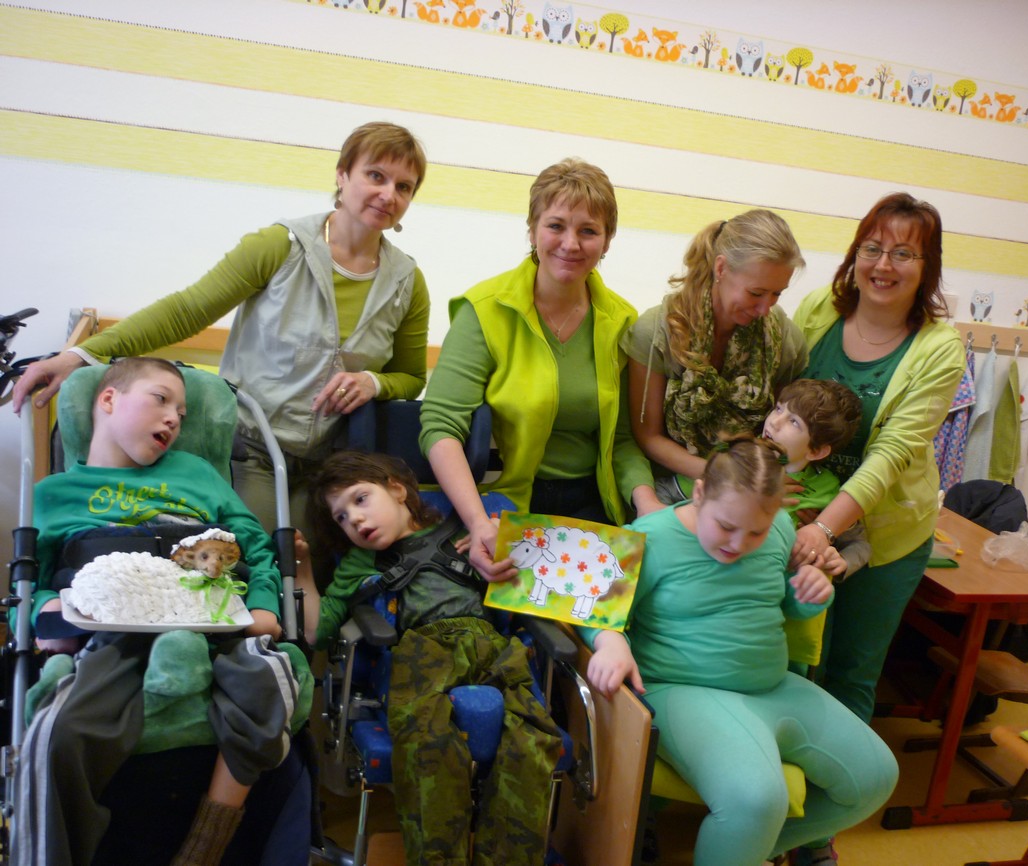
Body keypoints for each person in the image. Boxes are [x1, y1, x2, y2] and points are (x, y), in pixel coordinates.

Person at [12, 121, 431, 539]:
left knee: (309, 567)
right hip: (251, 447)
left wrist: (374, 381)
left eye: (404, 187)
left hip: (333, 463)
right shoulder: (281, 246)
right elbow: (187, 310)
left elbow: (411, 377)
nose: (388, 195)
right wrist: (82, 354)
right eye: (375, 175)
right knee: (256, 553)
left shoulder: (407, 282)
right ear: (342, 175)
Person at [19, 357, 299, 866]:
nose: (174, 418)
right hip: (109, 626)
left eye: (183, 413)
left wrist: (262, 603)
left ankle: (203, 849)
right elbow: (29, 579)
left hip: (211, 614)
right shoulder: (51, 495)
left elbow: (257, 547)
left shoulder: (197, 474)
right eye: (161, 399)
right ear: (108, 399)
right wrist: (46, 609)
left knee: (271, 684)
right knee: (57, 733)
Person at [581, 437, 898, 866]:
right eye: (726, 525)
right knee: (756, 800)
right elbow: (593, 608)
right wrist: (610, 640)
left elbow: (783, 603)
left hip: (772, 686)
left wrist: (810, 593)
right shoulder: (651, 537)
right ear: (699, 493)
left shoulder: (780, 528)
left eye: (755, 532)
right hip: (682, 688)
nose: (738, 543)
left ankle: (751, 852)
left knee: (876, 778)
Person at [294, 450, 563, 866]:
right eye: (341, 517)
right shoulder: (360, 562)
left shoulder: (469, 526)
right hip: (421, 650)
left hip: (492, 643)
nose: (355, 520)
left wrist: (505, 538)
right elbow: (318, 631)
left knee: (531, 741)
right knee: (428, 745)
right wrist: (304, 570)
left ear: (398, 490)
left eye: (360, 499)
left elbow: (549, 572)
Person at [419, 158, 659, 582]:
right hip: (500, 505)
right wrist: (478, 522)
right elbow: (440, 427)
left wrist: (647, 504)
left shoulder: (621, 321)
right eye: (556, 226)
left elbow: (622, 440)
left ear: (607, 241)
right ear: (532, 230)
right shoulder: (485, 310)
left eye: (589, 231)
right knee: (518, 614)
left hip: (591, 503)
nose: (571, 243)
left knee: (609, 612)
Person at [790, 192, 966, 733]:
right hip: (803, 517)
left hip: (884, 535)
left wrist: (824, 528)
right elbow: (781, 407)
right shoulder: (819, 310)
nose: (883, 265)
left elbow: (890, 455)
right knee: (796, 662)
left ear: (927, 267)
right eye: (872, 248)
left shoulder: (939, 348)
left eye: (903, 253)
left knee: (850, 673)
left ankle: (840, 781)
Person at [625, 208, 810, 504]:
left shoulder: (784, 341)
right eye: (756, 293)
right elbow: (648, 437)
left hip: (748, 491)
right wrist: (727, 475)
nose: (766, 309)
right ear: (721, 268)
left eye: (777, 294)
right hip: (670, 488)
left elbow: (784, 434)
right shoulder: (658, 332)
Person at [761, 377, 870, 579]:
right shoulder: (737, 459)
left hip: (784, 591)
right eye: (778, 409)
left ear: (816, 451)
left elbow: (861, 545)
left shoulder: (828, 488)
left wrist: (841, 561)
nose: (774, 422)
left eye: (794, 422)